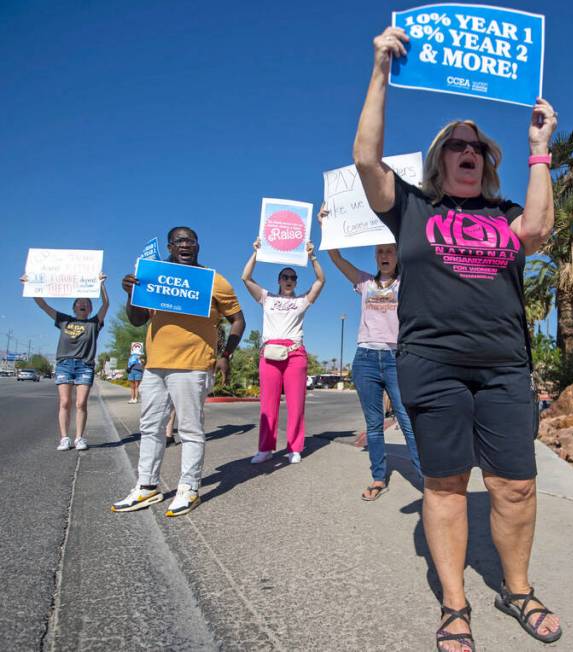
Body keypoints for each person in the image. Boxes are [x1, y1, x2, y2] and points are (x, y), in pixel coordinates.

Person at [353, 26, 561, 651]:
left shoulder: (505, 216)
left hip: (503, 367)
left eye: (477, 146)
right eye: (457, 144)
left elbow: (541, 230)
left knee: (515, 484)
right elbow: (367, 160)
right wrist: (381, 70)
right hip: (432, 364)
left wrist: (539, 148)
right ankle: (454, 602)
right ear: (441, 158)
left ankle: (517, 589)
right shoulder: (412, 206)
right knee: (445, 486)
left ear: (486, 161)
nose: (468, 150)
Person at [111, 227, 245, 517]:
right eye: (179, 241)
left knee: (190, 430)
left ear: (198, 245)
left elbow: (238, 320)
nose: (186, 244)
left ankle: (189, 489)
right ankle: (147, 487)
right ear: (170, 247)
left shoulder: (214, 281)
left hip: (193, 366)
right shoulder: (155, 278)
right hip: (155, 365)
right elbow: (136, 320)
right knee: (150, 428)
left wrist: (226, 354)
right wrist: (132, 292)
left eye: (191, 240)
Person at [318, 204, 422, 500]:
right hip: (365, 360)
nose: (385, 256)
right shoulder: (364, 282)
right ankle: (378, 477)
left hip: (395, 358)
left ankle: (426, 480)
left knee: (406, 420)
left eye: (390, 251)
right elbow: (336, 257)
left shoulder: (408, 281)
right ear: (376, 256)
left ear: (398, 254)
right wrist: (328, 226)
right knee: (374, 425)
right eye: (380, 252)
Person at [242, 239, 324, 465]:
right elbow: (246, 278)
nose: (289, 280)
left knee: (296, 404)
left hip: (295, 354)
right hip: (269, 354)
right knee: (268, 405)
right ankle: (265, 448)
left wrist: (312, 256)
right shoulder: (267, 298)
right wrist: (256, 252)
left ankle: (295, 448)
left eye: (293, 278)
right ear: (279, 280)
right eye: (285, 277)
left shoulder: (301, 301)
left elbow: (320, 280)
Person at [21, 273, 109, 451]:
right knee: (65, 402)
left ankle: (79, 438)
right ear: (74, 306)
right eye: (79, 302)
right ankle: (64, 438)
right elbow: (43, 305)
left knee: (81, 403)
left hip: (85, 365)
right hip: (64, 364)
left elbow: (106, 304)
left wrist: (101, 284)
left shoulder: (94, 323)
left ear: (90, 308)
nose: (83, 304)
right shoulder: (64, 320)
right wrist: (29, 285)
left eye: (87, 302)